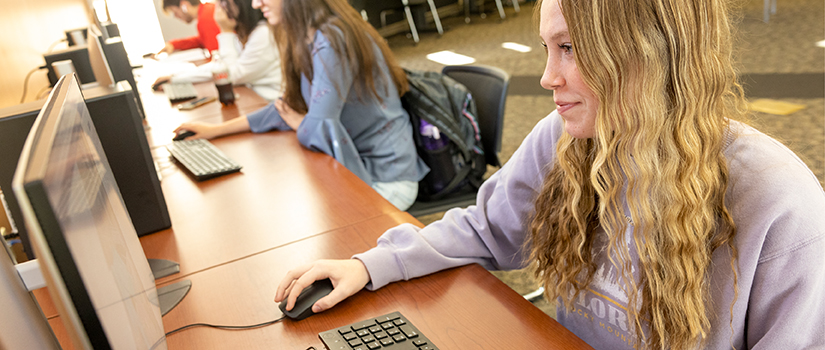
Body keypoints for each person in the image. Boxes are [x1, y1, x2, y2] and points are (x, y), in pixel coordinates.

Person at [273, 0, 825, 349]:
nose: (545, 76)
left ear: (647, 52)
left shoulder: (780, 203)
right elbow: (486, 230)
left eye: (568, 48)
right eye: (545, 48)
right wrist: (369, 267)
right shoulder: (570, 139)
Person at [174, 0, 429, 211]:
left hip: (385, 179)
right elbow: (287, 108)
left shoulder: (333, 38)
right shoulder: (309, 36)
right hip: (354, 168)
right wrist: (215, 130)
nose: (255, 3)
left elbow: (319, 125)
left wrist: (301, 122)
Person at [152, 0, 282, 101]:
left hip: (267, 102)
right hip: (255, 97)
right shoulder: (248, 31)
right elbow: (219, 65)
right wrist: (176, 78)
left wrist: (225, 31)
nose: (218, 7)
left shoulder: (263, 34)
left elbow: (228, 74)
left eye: (223, 2)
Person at [157, 0, 221, 55]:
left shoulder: (205, 19)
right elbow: (201, 40)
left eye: (175, 12)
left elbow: (217, 56)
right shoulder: (208, 9)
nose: (176, 16)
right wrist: (174, 45)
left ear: (184, 5)